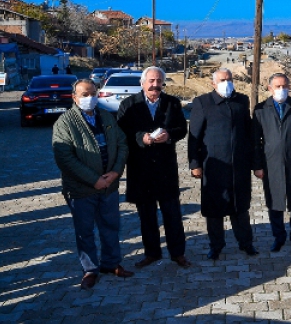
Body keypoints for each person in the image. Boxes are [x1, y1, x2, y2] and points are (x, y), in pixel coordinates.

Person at [52, 78, 134, 289]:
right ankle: (90, 269)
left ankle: (111, 263)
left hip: (109, 185)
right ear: (74, 97)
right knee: (85, 230)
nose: (90, 98)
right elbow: (65, 158)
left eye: (93, 94)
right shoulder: (65, 123)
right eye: (85, 95)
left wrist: (115, 172)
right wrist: (94, 179)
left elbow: (122, 144)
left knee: (110, 226)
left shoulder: (106, 116)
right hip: (81, 189)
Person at [117, 66, 192, 269]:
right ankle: (152, 253)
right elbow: (122, 132)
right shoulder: (128, 104)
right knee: (147, 216)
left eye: (159, 81)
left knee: (172, 214)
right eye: (151, 81)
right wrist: (141, 138)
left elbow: (182, 129)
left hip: (166, 169)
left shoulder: (172, 103)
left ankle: (177, 253)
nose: (155, 85)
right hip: (140, 169)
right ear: (142, 83)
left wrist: (170, 135)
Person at [188, 68, 258, 259]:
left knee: (240, 207)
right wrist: (195, 163)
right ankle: (216, 245)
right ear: (213, 83)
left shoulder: (241, 100)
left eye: (229, 79)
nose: (226, 82)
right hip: (214, 165)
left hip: (239, 165)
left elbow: (248, 131)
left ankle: (246, 243)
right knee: (214, 209)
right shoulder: (203, 102)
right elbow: (194, 136)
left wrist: (254, 160)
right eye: (222, 79)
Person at [252, 73, 291, 252]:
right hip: (271, 164)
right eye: (278, 86)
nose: (282, 90)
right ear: (270, 88)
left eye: (285, 86)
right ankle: (278, 237)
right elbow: (255, 141)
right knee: (275, 202)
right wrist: (257, 165)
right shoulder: (261, 109)